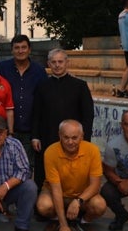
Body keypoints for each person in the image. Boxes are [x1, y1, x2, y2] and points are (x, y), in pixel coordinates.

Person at [31, 49, 94, 188]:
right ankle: (42, 206)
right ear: (48, 64)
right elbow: (36, 113)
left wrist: (85, 139)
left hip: (72, 139)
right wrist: (35, 136)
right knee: (45, 174)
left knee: (73, 174)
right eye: (53, 62)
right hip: (47, 137)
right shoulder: (42, 86)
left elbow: (88, 115)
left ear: (67, 63)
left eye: (60, 61)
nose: (57, 65)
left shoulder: (80, 86)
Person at [36, 120, 106, 231]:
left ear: (82, 136)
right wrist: (64, 225)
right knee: (43, 205)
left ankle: (84, 222)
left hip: (82, 195)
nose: (70, 142)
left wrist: (78, 201)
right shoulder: (50, 152)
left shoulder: (93, 150)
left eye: (74, 138)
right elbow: (56, 190)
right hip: (58, 193)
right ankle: (57, 219)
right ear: (59, 136)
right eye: (66, 137)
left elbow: (95, 185)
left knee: (99, 205)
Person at [0, 34, 48, 170]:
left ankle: (27, 191)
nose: (20, 51)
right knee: (5, 165)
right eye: (17, 48)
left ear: (29, 49)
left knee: (27, 166)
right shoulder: (2, 69)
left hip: (30, 128)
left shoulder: (39, 71)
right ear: (12, 50)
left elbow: (43, 98)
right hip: (6, 127)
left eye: (24, 47)